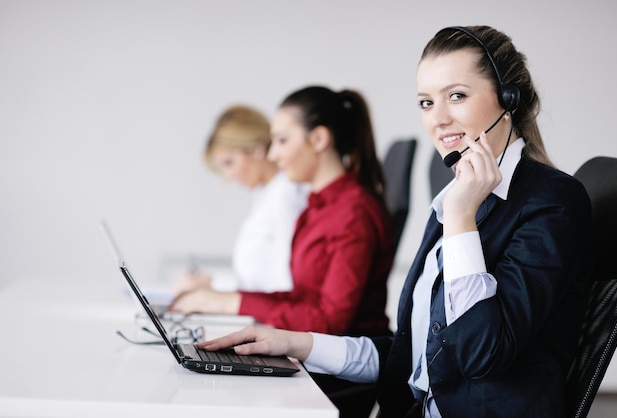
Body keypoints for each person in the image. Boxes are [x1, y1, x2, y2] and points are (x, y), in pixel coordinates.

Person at [197, 25, 593, 418]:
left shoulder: (548, 202)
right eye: (425, 102)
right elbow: (412, 356)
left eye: (456, 96)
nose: (437, 119)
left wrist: (459, 219)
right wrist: (293, 343)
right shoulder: (459, 200)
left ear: (509, 99)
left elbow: (480, 355)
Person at [171, 86, 395, 338]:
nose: (273, 153)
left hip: (339, 364)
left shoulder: (353, 212)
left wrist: (230, 303)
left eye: (282, 140)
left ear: (319, 139)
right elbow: (299, 297)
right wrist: (224, 299)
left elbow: (330, 323)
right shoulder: (316, 207)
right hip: (317, 352)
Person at [174, 105, 308, 294]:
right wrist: (210, 283)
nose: (229, 176)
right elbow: (256, 280)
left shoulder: (285, 197)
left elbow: (285, 284)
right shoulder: (268, 195)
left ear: (257, 150)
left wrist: (212, 285)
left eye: (230, 163)